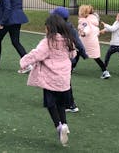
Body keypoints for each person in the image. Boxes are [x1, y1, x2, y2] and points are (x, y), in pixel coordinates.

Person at [19, 14, 77, 147]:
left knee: (51, 104)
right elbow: (73, 54)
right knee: (61, 104)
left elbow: (37, 54)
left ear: (49, 28)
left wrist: (23, 62)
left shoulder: (48, 41)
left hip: (50, 79)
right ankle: (65, 124)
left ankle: (58, 126)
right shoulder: (68, 40)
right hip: (63, 79)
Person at [49, 6, 88, 113]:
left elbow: (78, 43)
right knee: (61, 80)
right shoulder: (65, 29)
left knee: (65, 82)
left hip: (65, 61)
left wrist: (83, 53)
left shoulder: (64, 30)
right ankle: (63, 101)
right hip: (62, 61)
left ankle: (70, 104)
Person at [75, 5, 108, 75]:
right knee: (96, 58)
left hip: (85, 42)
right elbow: (95, 31)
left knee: (77, 54)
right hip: (94, 42)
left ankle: (71, 68)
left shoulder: (84, 20)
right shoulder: (94, 20)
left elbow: (87, 28)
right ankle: (105, 71)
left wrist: (84, 33)